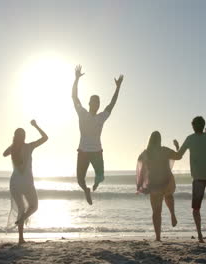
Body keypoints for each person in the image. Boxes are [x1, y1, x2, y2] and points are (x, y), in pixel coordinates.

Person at [71, 65, 124, 205]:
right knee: (80, 180)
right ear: (89, 103)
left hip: (96, 152)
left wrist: (118, 88)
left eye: (98, 103)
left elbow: (112, 103)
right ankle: (86, 190)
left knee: (100, 176)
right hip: (83, 151)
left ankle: (96, 183)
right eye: (94, 102)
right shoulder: (82, 113)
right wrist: (76, 79)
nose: (97, 104)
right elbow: (74, 97)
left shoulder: (101, 117)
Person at [176, 116, 206, 243]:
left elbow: (179, 155)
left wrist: (176, 146)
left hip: (198, 177)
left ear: (193, 126)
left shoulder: (190, 138)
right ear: (203, 125)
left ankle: (200, 236)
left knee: (196, 208)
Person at [3, 120, 48, 244]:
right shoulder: (29, 146)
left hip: (15, 182)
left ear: (15, 137)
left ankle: (21, 238)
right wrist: (36, 125)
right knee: (34, 206)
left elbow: (4, 154)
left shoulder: (13, 149)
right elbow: (45, 138)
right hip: (27, 182)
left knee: (21, 208)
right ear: (24, 137)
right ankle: (22, 219)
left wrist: (13, 145)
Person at [136, 131, 181, 241]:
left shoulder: (146, 153)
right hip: (167, 180)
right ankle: (172, 214)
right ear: (159, 140)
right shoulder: (164, 150)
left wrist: (140, 182)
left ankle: (158, 237)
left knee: (156, 212)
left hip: (154, 184)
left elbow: (140, 165)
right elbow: (178, 156)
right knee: (169, 196)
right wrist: (177, 147)